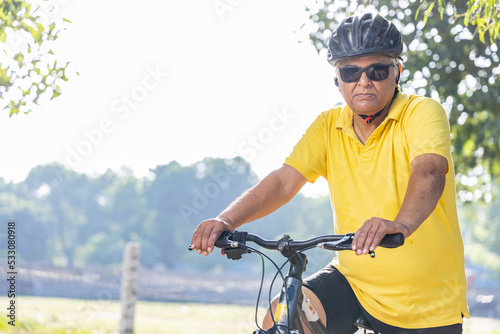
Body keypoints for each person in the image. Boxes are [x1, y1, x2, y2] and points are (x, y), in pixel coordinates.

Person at [190, 12, 469, 333]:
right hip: (354, 283)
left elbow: (430, 172)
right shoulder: (327, 125)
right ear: (338, 81)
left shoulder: (421, 112)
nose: (363, 81)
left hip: (426, 301)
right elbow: (283, 181)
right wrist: (226, 221)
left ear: (398, 72)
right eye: (350, 72)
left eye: (377, 70)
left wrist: (400, 225)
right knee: (284, 314)